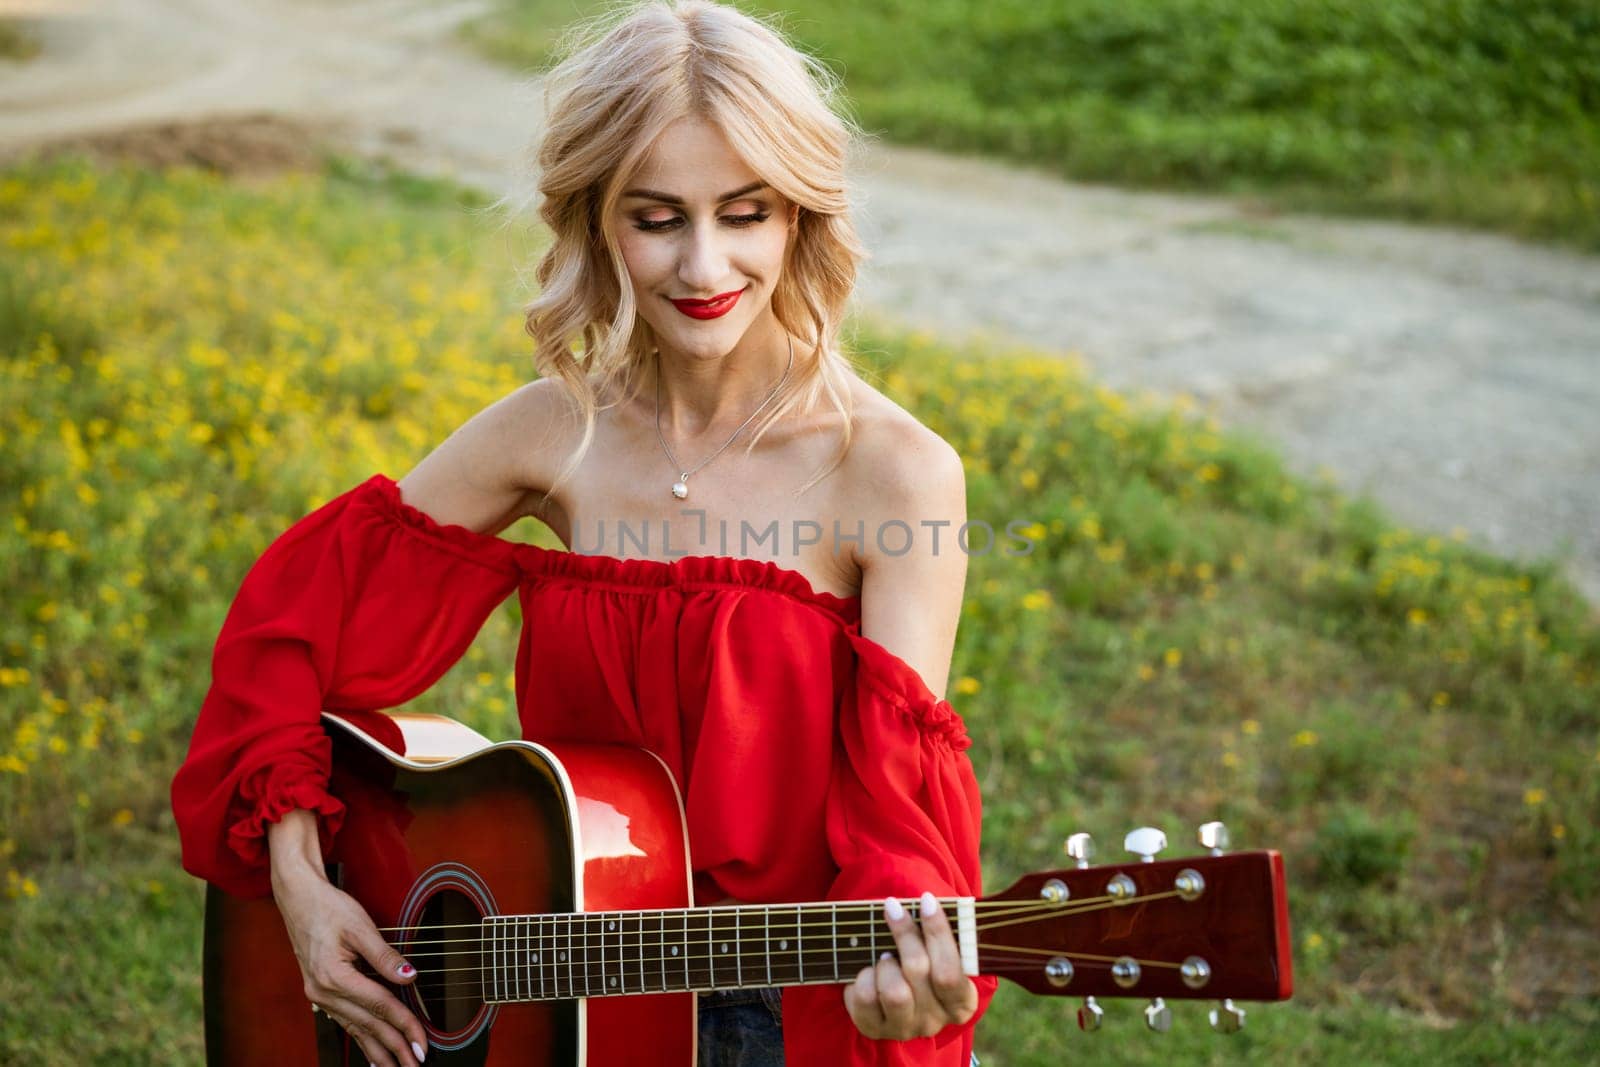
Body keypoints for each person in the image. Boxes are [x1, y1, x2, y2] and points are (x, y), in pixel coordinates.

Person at [169, 2, 996, 1064]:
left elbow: (897, 812)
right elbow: (292, 626)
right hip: (557, 1009)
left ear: (802, 216)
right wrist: (299, 878)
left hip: (789, 1013)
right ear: (596, 220)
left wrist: (911, 968)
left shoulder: (896, 471)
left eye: (745, 213)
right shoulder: (553, 433)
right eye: (657, 218)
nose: (703, 268)